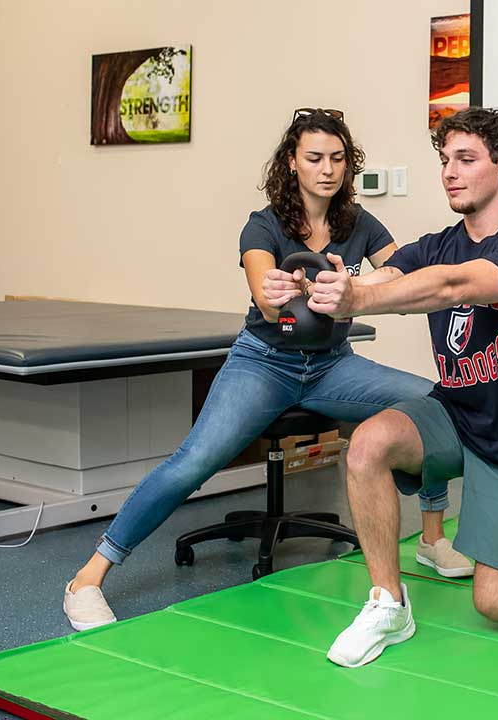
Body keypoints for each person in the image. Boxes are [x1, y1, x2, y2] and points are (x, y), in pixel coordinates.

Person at [62, 108, 473, 632]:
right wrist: (281, 292)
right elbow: (265, 288)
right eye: (315, 158)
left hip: (332, 367)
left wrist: (387, 286)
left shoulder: (359, 224)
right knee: (194, 462)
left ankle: (434, 538)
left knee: (435, 404)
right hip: (265, 363)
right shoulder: (264, 225)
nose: (328, 169)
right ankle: (87, 579)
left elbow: (399, 271)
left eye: (338, 158)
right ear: (292, 163)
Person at [306, 107, 498, 668]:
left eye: (466, 160)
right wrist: (319, 286)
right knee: (368, 443)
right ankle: (388, 604)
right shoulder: (437, 242)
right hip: (454, 414)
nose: (450, 172)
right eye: (445, 161)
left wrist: (359, 299)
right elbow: (388, 276)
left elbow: (450, 285)